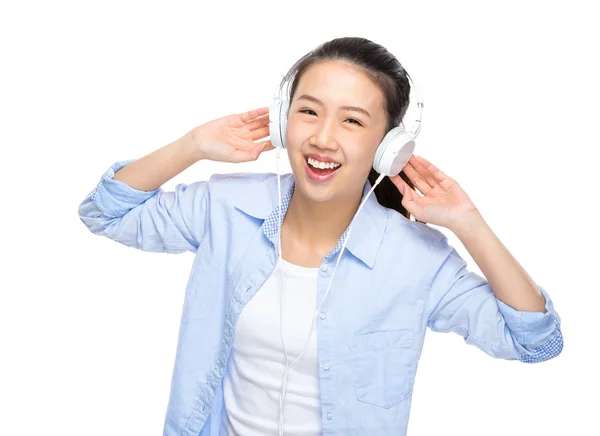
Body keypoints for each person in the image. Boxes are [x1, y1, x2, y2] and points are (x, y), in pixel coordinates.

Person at [78, 37, 563, 436]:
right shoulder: (225, 209)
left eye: (352, 120)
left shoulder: (417, 261)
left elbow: (534, 342)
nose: (323, 138)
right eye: (309, 112)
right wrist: (192, 146)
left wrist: (469, 223)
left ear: (389, 146)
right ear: (283, 120)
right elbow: (106, 213)